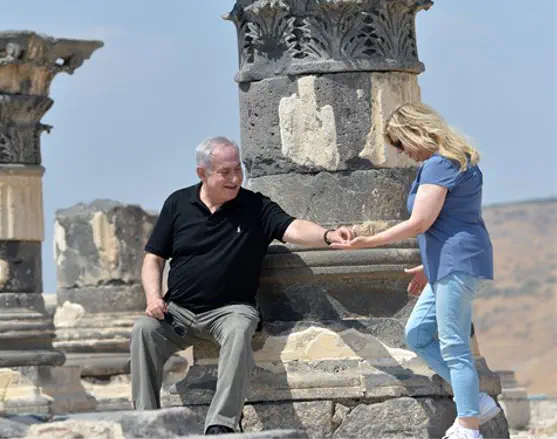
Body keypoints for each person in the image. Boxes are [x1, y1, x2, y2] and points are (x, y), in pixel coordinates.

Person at [129, 136, 354, 435]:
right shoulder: (177, 204)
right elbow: (153, 259)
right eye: (225, 172)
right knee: (143, 330)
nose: (235, 178)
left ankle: (221, 424)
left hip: (230, 310)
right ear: (202, 174)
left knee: (238, 328)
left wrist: (328, 236)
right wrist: (154, 297)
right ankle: (146, 424)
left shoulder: (255, 206)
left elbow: (294, 227)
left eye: (239, 170)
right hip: (179, 313)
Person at [330, 103, 500, 439]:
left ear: (414, 131)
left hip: (456, 262)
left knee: (453, 345)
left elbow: (421, 222)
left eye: (400, 142)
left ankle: (469, 425)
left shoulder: (440, 164)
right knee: (419, 334)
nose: (403, 152)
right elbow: (454, 219)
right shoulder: (456, 160)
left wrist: (366, 242)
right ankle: (474, 402)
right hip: (450, 261)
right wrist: (429, 262)